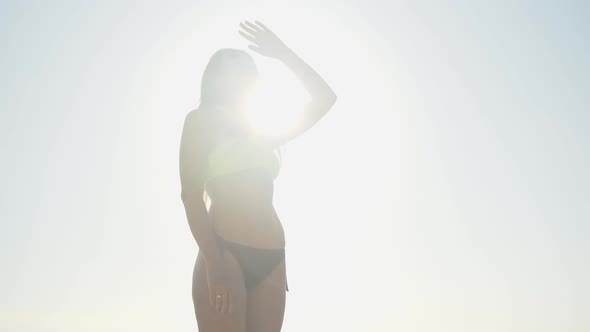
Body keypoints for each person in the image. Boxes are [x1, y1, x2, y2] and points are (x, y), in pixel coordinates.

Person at [179, 21, 337, 332]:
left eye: (249, 67)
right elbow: (190, 195)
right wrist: (214, 261)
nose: (244, 73)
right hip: (225, 253)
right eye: (234, 67)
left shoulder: (263, 131)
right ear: (216, 78)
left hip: (272, 257)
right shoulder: (200, 122)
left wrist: (283, 53)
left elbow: (325, 99)